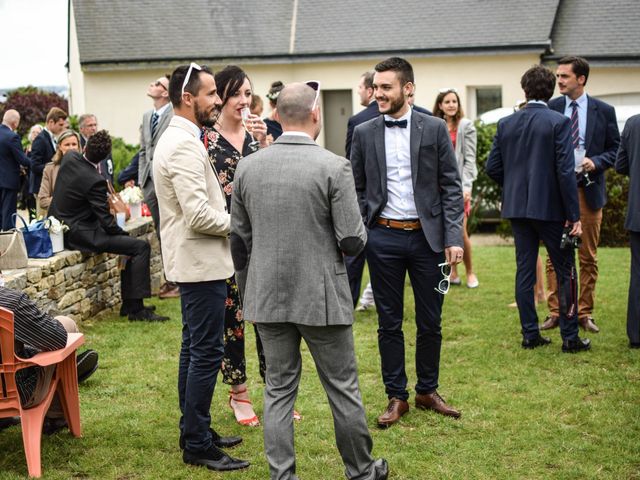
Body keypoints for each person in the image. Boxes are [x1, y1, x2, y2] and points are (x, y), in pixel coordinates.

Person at [231, 81, 388, 480]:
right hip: (322, 295)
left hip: (266, 294)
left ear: (278, 117)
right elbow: (352, 240)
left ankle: (282, 476)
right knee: (342, 388)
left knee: (278, 390)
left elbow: (239, 240)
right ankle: (362, 471)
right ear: (315, 114)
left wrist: (250, 290)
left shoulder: (248, 166)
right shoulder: (333, 166)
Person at [351, 57, 463, 428]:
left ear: (408, 88)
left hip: (428, 240)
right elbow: (357, 188)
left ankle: (427, 390)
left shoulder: (433, 129)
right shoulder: (364, 132)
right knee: (388, 322)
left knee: (431, 321)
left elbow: (450, 186)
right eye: (376, 87)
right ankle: (396, 396)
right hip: (382, 238)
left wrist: (452, 237)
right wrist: (365, 231)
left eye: (386, 88)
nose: (377, 93)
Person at [153, 63, 249, 472]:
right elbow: (198, 215)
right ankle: (196, 442)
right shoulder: (182, 144)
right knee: (205, 353)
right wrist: (243, 225)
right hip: (201, 264)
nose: (218, 101)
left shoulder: (183, 137)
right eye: (211, 94)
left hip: (197, 263)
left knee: (194, 349)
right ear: (188, 98)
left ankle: (195, 429)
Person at [486, 64, 590, 353]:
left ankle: (530, 334)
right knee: (566, 269)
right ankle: (570, 338)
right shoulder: (558, 121)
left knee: (524, 271)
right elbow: (565, 172)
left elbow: (492, 166)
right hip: (552, 210)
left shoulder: (507, 123)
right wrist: (574, 215)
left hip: (517, 208)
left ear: (524, 90)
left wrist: (514, 186)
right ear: (551, 90)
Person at [202, 65, 268, 427]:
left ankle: (276, 391)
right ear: (222, 97)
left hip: (263, 239)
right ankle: (238, 393)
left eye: (248, 94)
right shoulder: (205, 140)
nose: (244, 101)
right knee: (234, 319)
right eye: (237, 94)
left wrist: (269, 146)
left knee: (269, 317)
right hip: (226, 241)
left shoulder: (258, 135)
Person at [48, 131, 168, 323]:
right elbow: (105, 220)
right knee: (140, 247)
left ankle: (129, 304)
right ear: (104, 159)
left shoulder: (70, 158)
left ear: (84, 148)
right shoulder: (95, 180)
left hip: (64, 229)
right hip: (83, 235)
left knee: (132, 246)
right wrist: (124, 235)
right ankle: (136, 310)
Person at [542, 56, 620, 334]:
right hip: (556, 193)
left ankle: (584, 313)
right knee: (554, 256)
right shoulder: (551, 107)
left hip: (588, 190)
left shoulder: (604, 110)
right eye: (558, 76)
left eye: (564, 76)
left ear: (581, 79)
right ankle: (557, 311)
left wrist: (596, 162)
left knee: (587, 256)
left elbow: (616, 149)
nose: (559, 80)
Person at [0, 286, 99, 434]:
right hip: (16, 393)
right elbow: (57, 338)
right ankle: (55, 416)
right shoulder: (11, 301)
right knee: (65, 323)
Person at [138, 75, 180, 300]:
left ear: (165, 92)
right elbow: (144, 149)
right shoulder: (147, 116)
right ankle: (169, 279)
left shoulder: (174, 114)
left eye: (157, 84)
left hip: (168, 181)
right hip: (149, 184)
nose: (152, 85)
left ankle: (175, 280)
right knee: (160, 232)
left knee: (172, 230)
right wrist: (142, 180)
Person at [433, 88, 479, 288]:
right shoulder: (435, 125)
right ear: (440, 105)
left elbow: (470, 159)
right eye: (447, 101)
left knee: (460, 231)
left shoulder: (466, 126)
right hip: (437, 188)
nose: (451, 105)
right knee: (443, 232)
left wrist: (466, 186)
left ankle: (470, 272)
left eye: (455, 101)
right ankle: (453, 273)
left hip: (459, 188)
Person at [344, 71, 379, 309]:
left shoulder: (357, 121)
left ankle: (348, 301)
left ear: (370, 90)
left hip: (362, 199)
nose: (358, 92)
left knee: (354, 256)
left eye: (359, 87)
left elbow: (350, 163)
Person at [615, 113, 640, 348]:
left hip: (638, 211)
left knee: (638, 274)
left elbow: (620, 164)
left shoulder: (633, 123)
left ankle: (636, 334)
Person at [29, 107, 67, 213]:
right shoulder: (40, 139)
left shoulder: (51, 138)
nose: (62, 127)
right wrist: (54, 169)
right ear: (51, 122)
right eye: (60, 124)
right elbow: (34, 166)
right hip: (41, 189)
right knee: (43, 222)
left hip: (49, 187)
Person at [37, 130, 81, 216]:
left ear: (79, 147)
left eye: (74, 144)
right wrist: (66, 201)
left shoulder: (86, 168)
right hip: (58, 220)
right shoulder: (50, 169)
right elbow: (42, 201)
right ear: (60, 147)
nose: (71, 148)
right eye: (67, 145)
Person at [0, 109, 31, 230]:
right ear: (15, 123)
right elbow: (22, 160)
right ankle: (8, 245)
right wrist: (36, 163)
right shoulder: (12, 137)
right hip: (8, 181)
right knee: (8, 216)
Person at [78, 114, 114, 183]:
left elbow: (109, 168)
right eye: (90, 125)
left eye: (95, 125)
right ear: (81, 129)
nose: (94, 128)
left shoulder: (103, 143)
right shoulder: (77, 145)